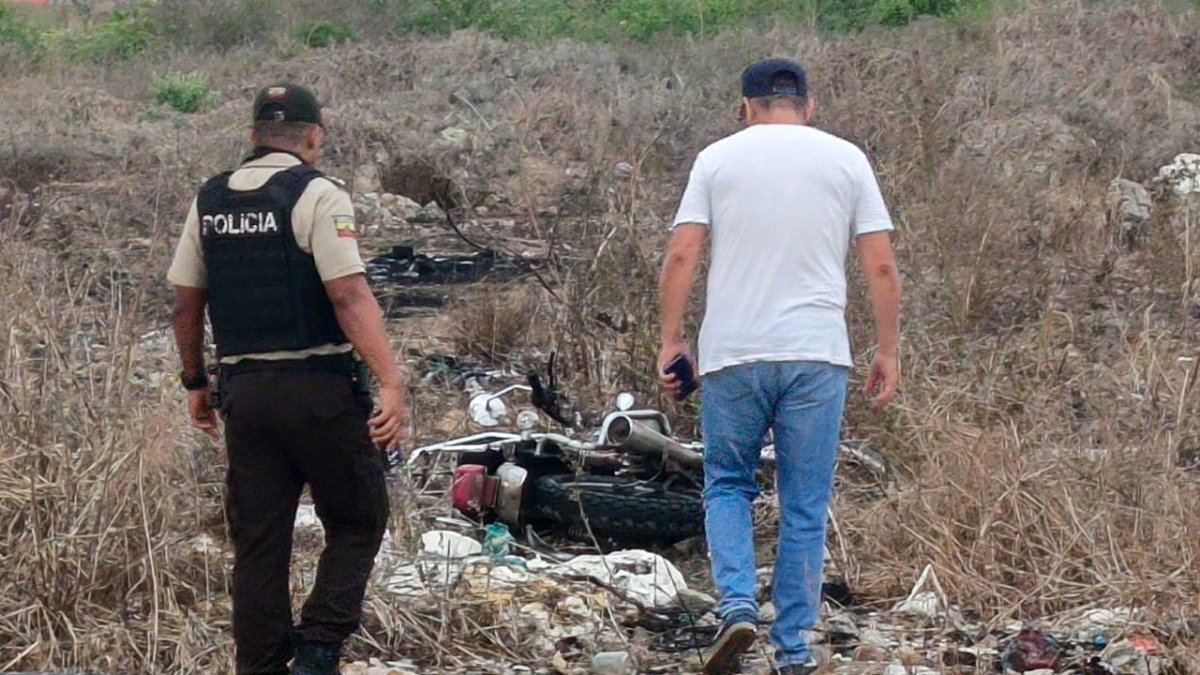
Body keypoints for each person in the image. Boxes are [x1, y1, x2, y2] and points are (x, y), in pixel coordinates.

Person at [657, 58, 901, 675]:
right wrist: (886, 348)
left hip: (733, 353)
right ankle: (793, 647)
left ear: (746, 107)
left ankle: (737, 604)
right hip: (817, 355)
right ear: (808, 106)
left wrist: (671, 338)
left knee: (729, 484)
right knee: (803, 500)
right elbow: (879, 265)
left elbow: (684, 251)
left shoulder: (717, 159)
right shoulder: (846, 160)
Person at [168, 83, 408, 675]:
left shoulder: (210, 200)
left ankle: (261, 665)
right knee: (357, 519)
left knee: (259, 542)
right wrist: (392, 381)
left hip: (245, 397)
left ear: (252, 137)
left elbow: (185, 303)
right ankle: (320, 646)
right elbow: (349, 294)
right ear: (314, 137)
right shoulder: (320, 194)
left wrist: (196, 380)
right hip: (319, 390)